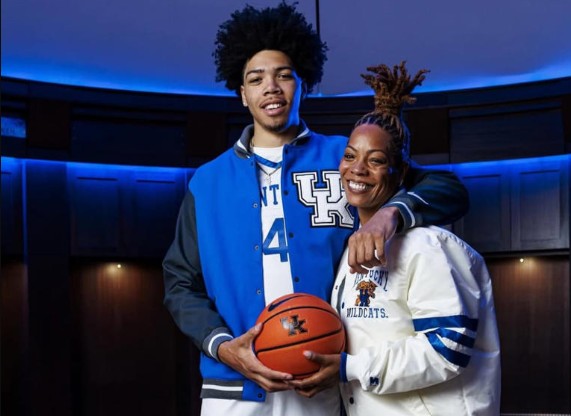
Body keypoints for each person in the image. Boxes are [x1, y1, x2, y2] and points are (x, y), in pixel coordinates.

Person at [162, 3, 469, 415]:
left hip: (321, 383)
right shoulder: (207, 182)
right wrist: (222, 346)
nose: (271, 88)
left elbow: (448, 190)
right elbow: (180, 282)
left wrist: (388, 214)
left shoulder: (345, 158)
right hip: (232, 388)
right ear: (242, 94)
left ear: (303, 83)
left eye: (284, 75)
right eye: (256, 79)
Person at [290, 62, 501, 415]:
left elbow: (449, 346)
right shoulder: (350, 249)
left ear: (400, 171)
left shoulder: (429, 246)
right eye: (350, 156)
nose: (357, 169)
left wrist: (349, 368)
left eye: (375, 160)